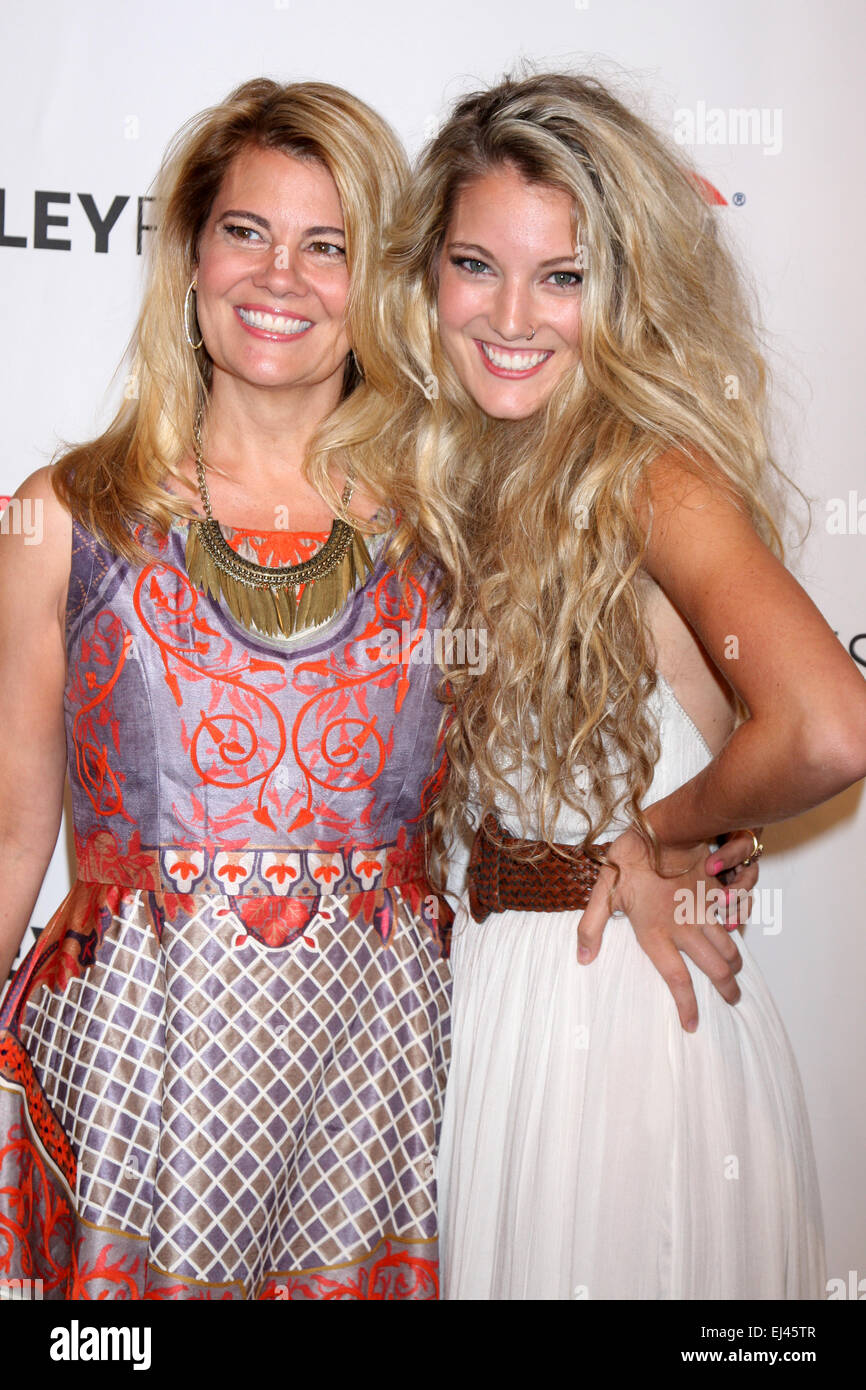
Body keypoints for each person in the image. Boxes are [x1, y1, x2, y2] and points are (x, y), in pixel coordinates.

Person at [364, 71, 866, 1299]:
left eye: (564, 276)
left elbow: (825, 722)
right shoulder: (477, 472)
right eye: (476, 265)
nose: (511, 314)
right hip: (500, 1015)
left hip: (619, 1037)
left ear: (623, 292)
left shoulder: (649, 475)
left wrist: (656, 835)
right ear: (426, 274)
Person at [0, 79, 452, 1300]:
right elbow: (6, 839)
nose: (279, 278)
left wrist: (673, 849)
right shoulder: (65, 516)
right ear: (192, 257)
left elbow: (633, 727)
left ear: (377, 289)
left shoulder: (456, 533)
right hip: (129, 1069)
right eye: (246, 231)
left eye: (328, 246)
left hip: (376, 1075)